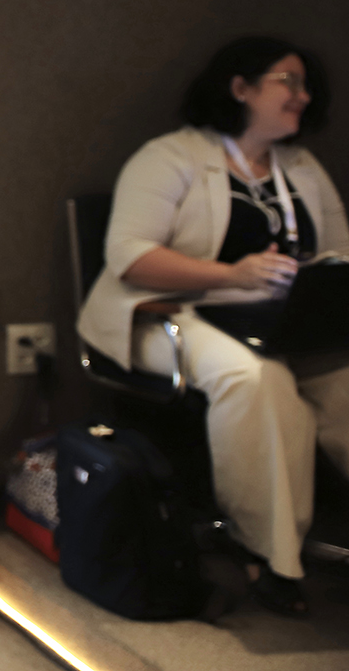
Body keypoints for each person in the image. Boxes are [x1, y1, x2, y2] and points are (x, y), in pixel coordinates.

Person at [77, 36, 349, 616]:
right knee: (256, 381)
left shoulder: (300, 166)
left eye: (306, 86)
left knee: (344, 386)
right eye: (288, 81)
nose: (302, 96)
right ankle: (270, 556)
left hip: (279, 318)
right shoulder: (171, 157)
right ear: (241, 88)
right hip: (172, 311)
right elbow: (130, 255)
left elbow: (338, 254)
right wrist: (234, 274)